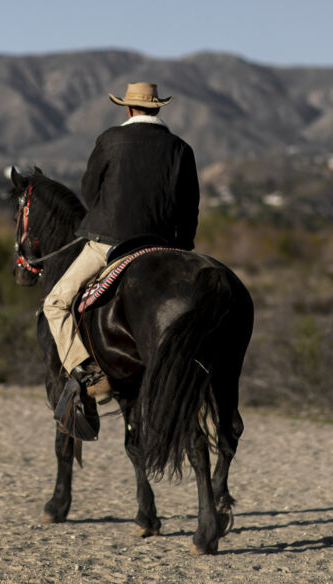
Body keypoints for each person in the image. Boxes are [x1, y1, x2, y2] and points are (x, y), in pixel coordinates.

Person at [44, 82, 199, 419]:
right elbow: (190, 207)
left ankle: (89, 374)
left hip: (109, 242)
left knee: (55, 303)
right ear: (158, 108)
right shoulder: (181, 149)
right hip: (162, 245)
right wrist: (182, 248)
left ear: (127, 109)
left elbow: (89, 191)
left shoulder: (110, 140)